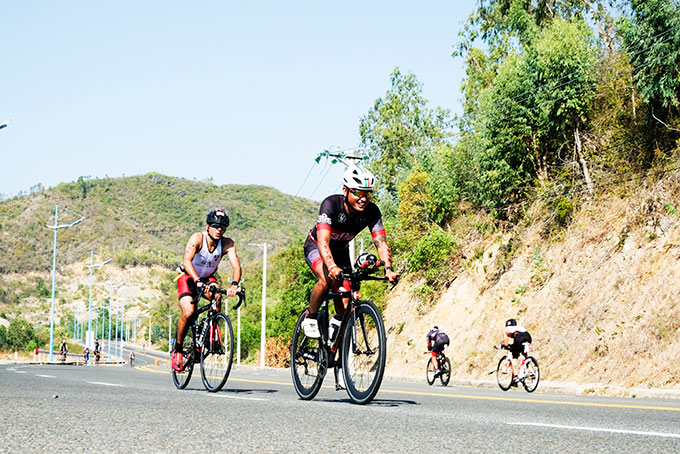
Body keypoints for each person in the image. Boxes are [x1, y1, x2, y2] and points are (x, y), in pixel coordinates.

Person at [301, 165, 399, 338]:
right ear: (345, 190)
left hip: (341, 251)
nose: (363, 199)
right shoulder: (331, 204)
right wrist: (331, 266)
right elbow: (323, 241)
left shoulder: (372, 211)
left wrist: (388, 268)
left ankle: (338, 341)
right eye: (358, 193)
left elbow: (381, 243)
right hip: (316, 246)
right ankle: (311, 316)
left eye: (367, 194)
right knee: (325, 279)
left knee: (346, 301)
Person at [172, 209, 242, 371]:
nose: (219, 230)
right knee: (188, 312)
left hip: (207, 278)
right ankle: (178, 349)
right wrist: (196, 280)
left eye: (223, 227)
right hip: (187, 277)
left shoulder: (227, 243)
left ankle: (211, 333)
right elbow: (187, 261)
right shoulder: (197, 238)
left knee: (217, 294)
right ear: (207, 226)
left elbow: (236, 265)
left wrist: (234, 284)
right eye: (216, 226)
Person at [500, 318, 532, 385]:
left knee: (514, 355)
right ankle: (527, 365)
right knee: (523, 352)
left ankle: (516, 377)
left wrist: (503, 344)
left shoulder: (505, 329)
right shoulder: (519, 327)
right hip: (528, 336)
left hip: (519, 338)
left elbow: (506, 343)